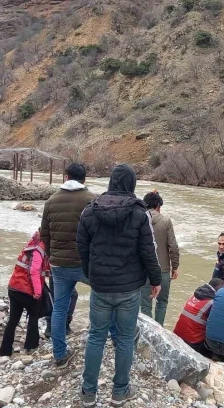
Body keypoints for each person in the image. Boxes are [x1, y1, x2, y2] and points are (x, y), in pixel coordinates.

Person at [77, 164, 162, 407]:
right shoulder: (140, 213)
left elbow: (82, 248)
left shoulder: (90, 211)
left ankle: (88, 393)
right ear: (132, 184)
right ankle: (120, 391)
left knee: (96, 337)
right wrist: (155, 280)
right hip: (129, 288)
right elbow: (149, 252)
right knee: (125, 339)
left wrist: (90, 274)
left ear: (111, 182)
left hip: (101, 286)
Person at [40, 162, 94, 365]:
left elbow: (44, 233)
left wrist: (52, 255)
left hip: (59, 264)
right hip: (86, 263)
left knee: (59, 308)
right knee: (100, 302)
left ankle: (60, 354)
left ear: (66, 176)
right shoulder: (92, 200)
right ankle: (100, 343)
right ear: (84, 179)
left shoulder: (51, 201)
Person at [0, 230, 48, 357]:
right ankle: (31, 346)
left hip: (14, 287)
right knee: (33, 315)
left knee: (13, 320)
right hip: (26, 291)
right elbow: (34, 271)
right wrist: (37, 292)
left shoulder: (30, 245)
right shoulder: (39, 249)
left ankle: (5, 351)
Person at [139, 191, 180, 326]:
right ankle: (160, 330)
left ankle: (147, 333)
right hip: (162, 270)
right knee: (162, 302)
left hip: (144, 270)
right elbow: (173, 246)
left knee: (145, 305)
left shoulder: (139, 219)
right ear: (158, 206)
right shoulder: (165, 221)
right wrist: (175, 266)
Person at [173, 278, 224, 356]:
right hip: (193, 342)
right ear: (218, 290)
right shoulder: (212, 303)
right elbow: (218, 326)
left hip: (177, 335)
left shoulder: (195, 294)